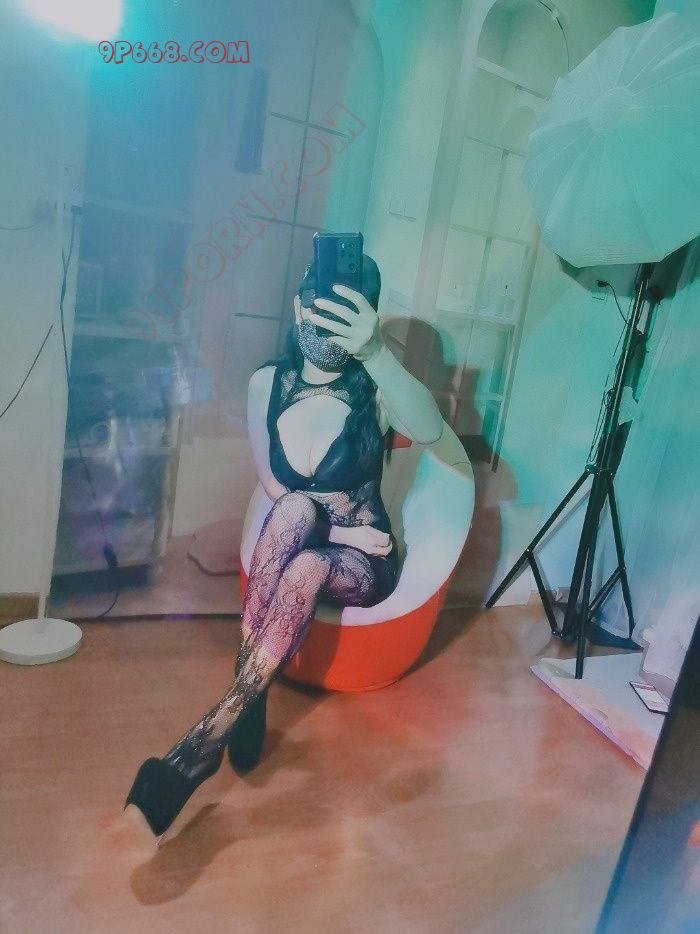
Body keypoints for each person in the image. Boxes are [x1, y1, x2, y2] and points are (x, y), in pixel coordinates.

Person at [124, 251, 443, 837]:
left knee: (308, 564)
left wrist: (376, 351)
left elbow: (429, 427)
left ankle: (206, 740)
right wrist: (338, 528)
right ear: (298, 308)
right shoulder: (268, 383)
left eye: (348, 313)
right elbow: (274, 484)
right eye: (319, 309)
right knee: (295, 508)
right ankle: (245, 700)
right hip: (324, 537)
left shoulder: (373, 387)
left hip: (365, 560)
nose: (327, 325)